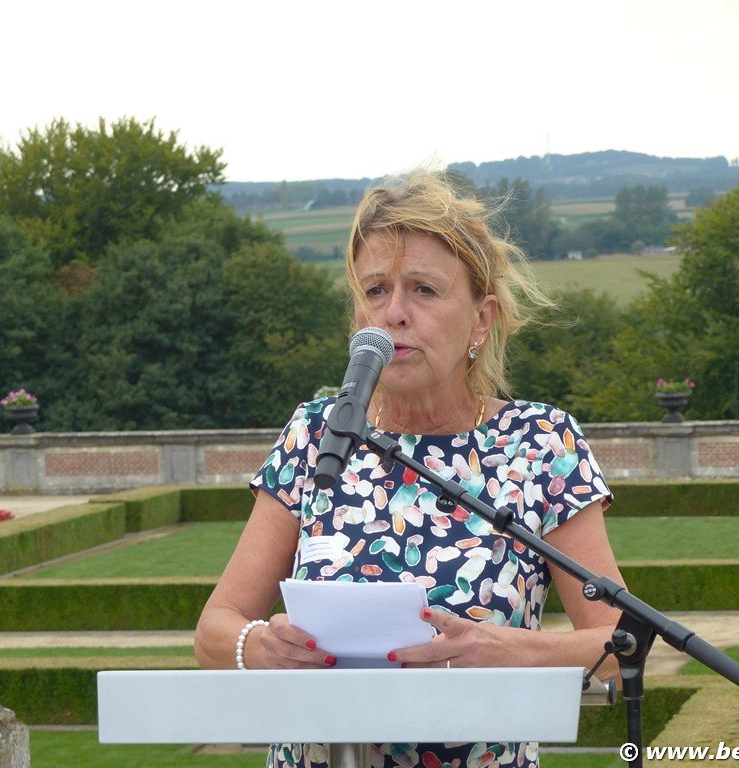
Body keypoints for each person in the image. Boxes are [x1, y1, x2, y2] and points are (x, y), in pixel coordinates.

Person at [195, 170, 625, 768]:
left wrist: (506, 650)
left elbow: (621, 646)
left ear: (481, 320)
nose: (394, 313)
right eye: (375, 291)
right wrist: (257, 646)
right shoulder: (318, 433)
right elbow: (214, 628)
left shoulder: (539, 444)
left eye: (423, 289)